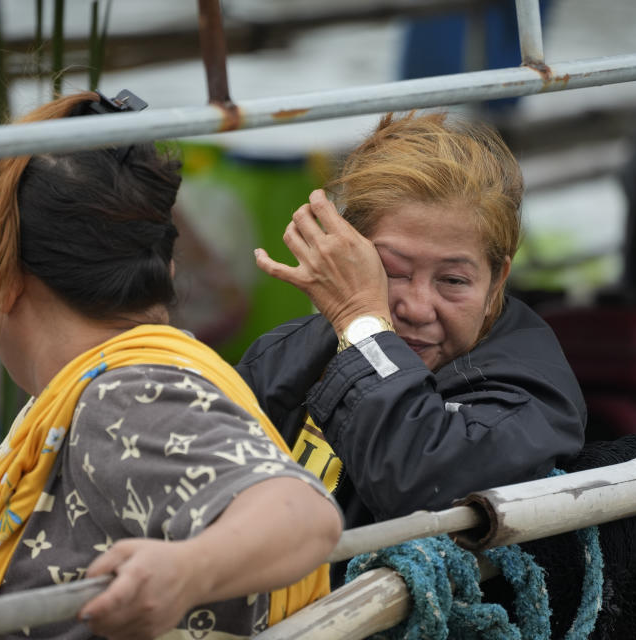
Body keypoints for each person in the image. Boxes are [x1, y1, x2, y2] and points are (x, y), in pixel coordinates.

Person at [0, 92, 342, 640]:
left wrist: (186, 572)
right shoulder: (121, 387)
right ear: (164, 265)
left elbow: (300, 512)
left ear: (6, 273)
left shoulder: (124, 394)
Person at [236, 112, 586, 535]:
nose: (418, 308)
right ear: (347, 254)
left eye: (453, 281)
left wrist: (362, 325)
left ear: (497, 281)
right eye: (391, 271)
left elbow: (419, 481)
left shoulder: (531, 394)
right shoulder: (288, 353)